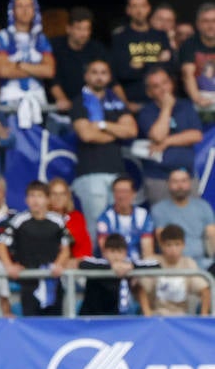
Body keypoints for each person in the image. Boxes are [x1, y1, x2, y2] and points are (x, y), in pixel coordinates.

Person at [71, 59, 139, 239]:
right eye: (94, 72)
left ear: (109, 77)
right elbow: (86, 135)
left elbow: (131, 130)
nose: (99, 77)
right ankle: (97, 263)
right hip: (91, 173)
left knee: (119, 223)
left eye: (103, 73)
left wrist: (101, 124)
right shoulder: (79, 102)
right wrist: (116, 131)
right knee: (96, 225)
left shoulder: (116, 101)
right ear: (86, 76)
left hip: (117, 173)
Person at [0, 181, 70, 317]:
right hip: (29, 281)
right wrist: (9, 266)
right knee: (31, 322)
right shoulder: (19, 221)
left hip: (52, 281)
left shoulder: (58, 221)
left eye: (40, 196)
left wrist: (59, 264)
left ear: (48, 199)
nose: (36, 200)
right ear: (26, 200)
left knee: (55, 323)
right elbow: (1, 245)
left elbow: (65, 248)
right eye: (32, 196)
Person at [137, 67, 202, 204]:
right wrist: (167, 107)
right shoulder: (146, 112)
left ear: (171, 84)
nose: (163, 89)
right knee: (165, 224)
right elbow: (158, 136)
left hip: (187, 176)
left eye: (165, 83)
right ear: (149, 92)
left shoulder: (185, 106)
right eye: (156, 86)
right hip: (159, 178)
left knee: (191, 222)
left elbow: (196, 135)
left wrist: (167, 142)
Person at [112, 0, 172, 110]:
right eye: (135, 6)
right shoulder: (120, 37)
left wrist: (140, 65)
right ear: (128, 10)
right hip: (133, 103)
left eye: (143, 6)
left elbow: (170, 68)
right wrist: (156, 61)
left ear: (148, 8)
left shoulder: (160, 36)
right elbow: (122, 73)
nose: (139, 11)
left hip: (162, 101)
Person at [77, 233, 156, 316]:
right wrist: (111, 267)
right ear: (105, 252)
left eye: (119, 252)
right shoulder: (99, 264)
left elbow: (155, 264)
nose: (116, 255)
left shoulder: (127, 266)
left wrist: (132, 266)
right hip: (91, 319)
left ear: (125, 253)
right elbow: (83, 263)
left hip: (116, 320)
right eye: (112, 251)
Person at [140, 224, 211, 316]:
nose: (173, 249)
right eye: (169, 245)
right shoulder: (151, 262)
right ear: (161, 245)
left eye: (177, 244)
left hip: (181, 316)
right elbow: (141, 290)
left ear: (183, 245)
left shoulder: (189, 263)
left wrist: (203, 316)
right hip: (156, 315)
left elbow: (205, 290)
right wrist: (147, 315)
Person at [152, 167, 215, 270]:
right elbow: (161, 239)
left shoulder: (203, 206)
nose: (180, 186)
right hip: (173, 265)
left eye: (183, 181)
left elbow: (212, 234)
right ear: (168, 184)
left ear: (190, 183)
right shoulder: (159, 209)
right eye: (175, 181)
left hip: (203, 264)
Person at [48, 9, 107, 112]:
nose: (83, 33)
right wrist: (63, 100)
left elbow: (108, 79)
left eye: (87, 29)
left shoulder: (97, 49)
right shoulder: (55, 47)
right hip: (63, 109)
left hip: (92, 107)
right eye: (79, 29)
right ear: (68, 29)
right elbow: (52, 79)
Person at [97, 177, 156, 261]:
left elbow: (147, 251)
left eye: (125, 191)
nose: (121, 196)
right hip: (112, 265)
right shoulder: (105, 217)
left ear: (134, 194)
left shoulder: (143, 215)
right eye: (117, 191)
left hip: (137, 266)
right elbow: (105, 250)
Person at [179, 3, 215, 119]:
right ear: (198, 25)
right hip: (197, 98)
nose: (211, 25)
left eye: (214, 21)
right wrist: (198, 99)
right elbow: (187, 75)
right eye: (206, 21)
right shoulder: (189, 44)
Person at [48, 177, 92, 260]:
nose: (58, 198)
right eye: (54, 194)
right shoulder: (42, 217)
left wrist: (76, 262)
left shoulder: (77, 217)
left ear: (68, 196)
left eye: (62, 194)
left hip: (72, 266)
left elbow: (84, 246)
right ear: (47, 196)